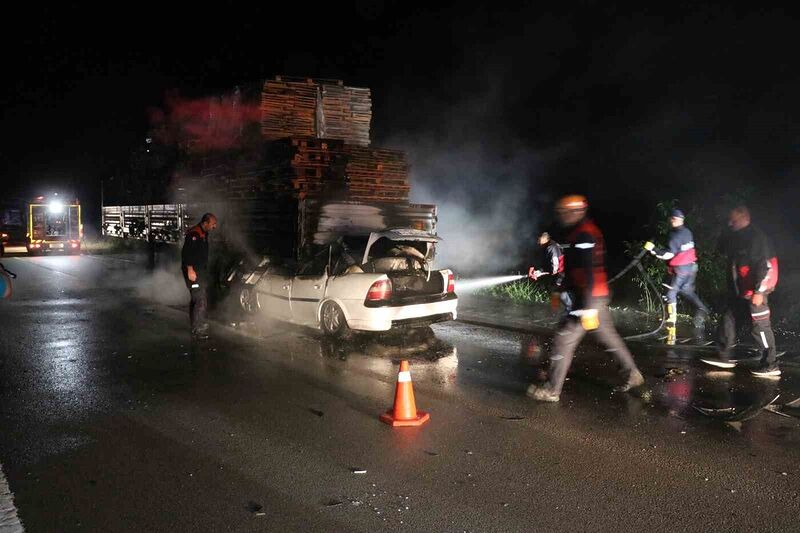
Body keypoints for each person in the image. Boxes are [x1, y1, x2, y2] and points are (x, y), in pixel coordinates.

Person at [527, 195, 644, 402]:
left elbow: (589, 271)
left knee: (563, 339)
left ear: (575, 212)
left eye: (564, 213)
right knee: (608, 336)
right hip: (594, 296)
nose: (562, 217)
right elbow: (573, 270)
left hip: (589, 298)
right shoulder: (578, 234)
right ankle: (632, 374)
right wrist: (559, 289)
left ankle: (552, 390)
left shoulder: (584, 234)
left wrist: (588, 306)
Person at [702, 206, 780, 378]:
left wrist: (759, 291)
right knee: (728, 319)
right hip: (741, 290)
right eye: (729, 220)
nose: (730, 223)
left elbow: (765, 265)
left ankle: (771, 364)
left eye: (734, 220)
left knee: (760, 326)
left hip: (756, 290)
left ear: (745, 218)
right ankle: (724, 356)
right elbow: (724, 253)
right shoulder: (736, 236)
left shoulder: (757, 238)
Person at [644, 208, 709, 344]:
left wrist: (652, 249)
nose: (672, 221)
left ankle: (671, 326)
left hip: (680, 270)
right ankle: (702, 308)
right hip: (691, 268)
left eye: (673, 219)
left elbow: (669, 254)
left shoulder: (675, 236)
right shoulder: (687, 232)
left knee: (670, 294)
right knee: (687, 291)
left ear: (675, 220)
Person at [181, 213, 218, 339]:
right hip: (193, 272)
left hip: (199, 271)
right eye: (213, 224)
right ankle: (198, 329)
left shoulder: (203, 233)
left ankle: (195, 324)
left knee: (196, 299)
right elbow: (186, 254)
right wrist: (190, 270)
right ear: (205, 223)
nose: (215, 227)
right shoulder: (194, 234)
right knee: (200, 299)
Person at [528, 232, 571, 317]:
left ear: (545, 239)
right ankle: (554, 310)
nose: (537, 241)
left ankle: (569, 309)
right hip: (558, 272)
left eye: (539, 239)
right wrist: (539, 270)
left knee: (560, 291)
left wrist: (540, 273)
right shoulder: (548, 245)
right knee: (553, 291)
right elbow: (546, 263)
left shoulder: (551, 248)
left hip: (560, 273)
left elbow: (554, 268)